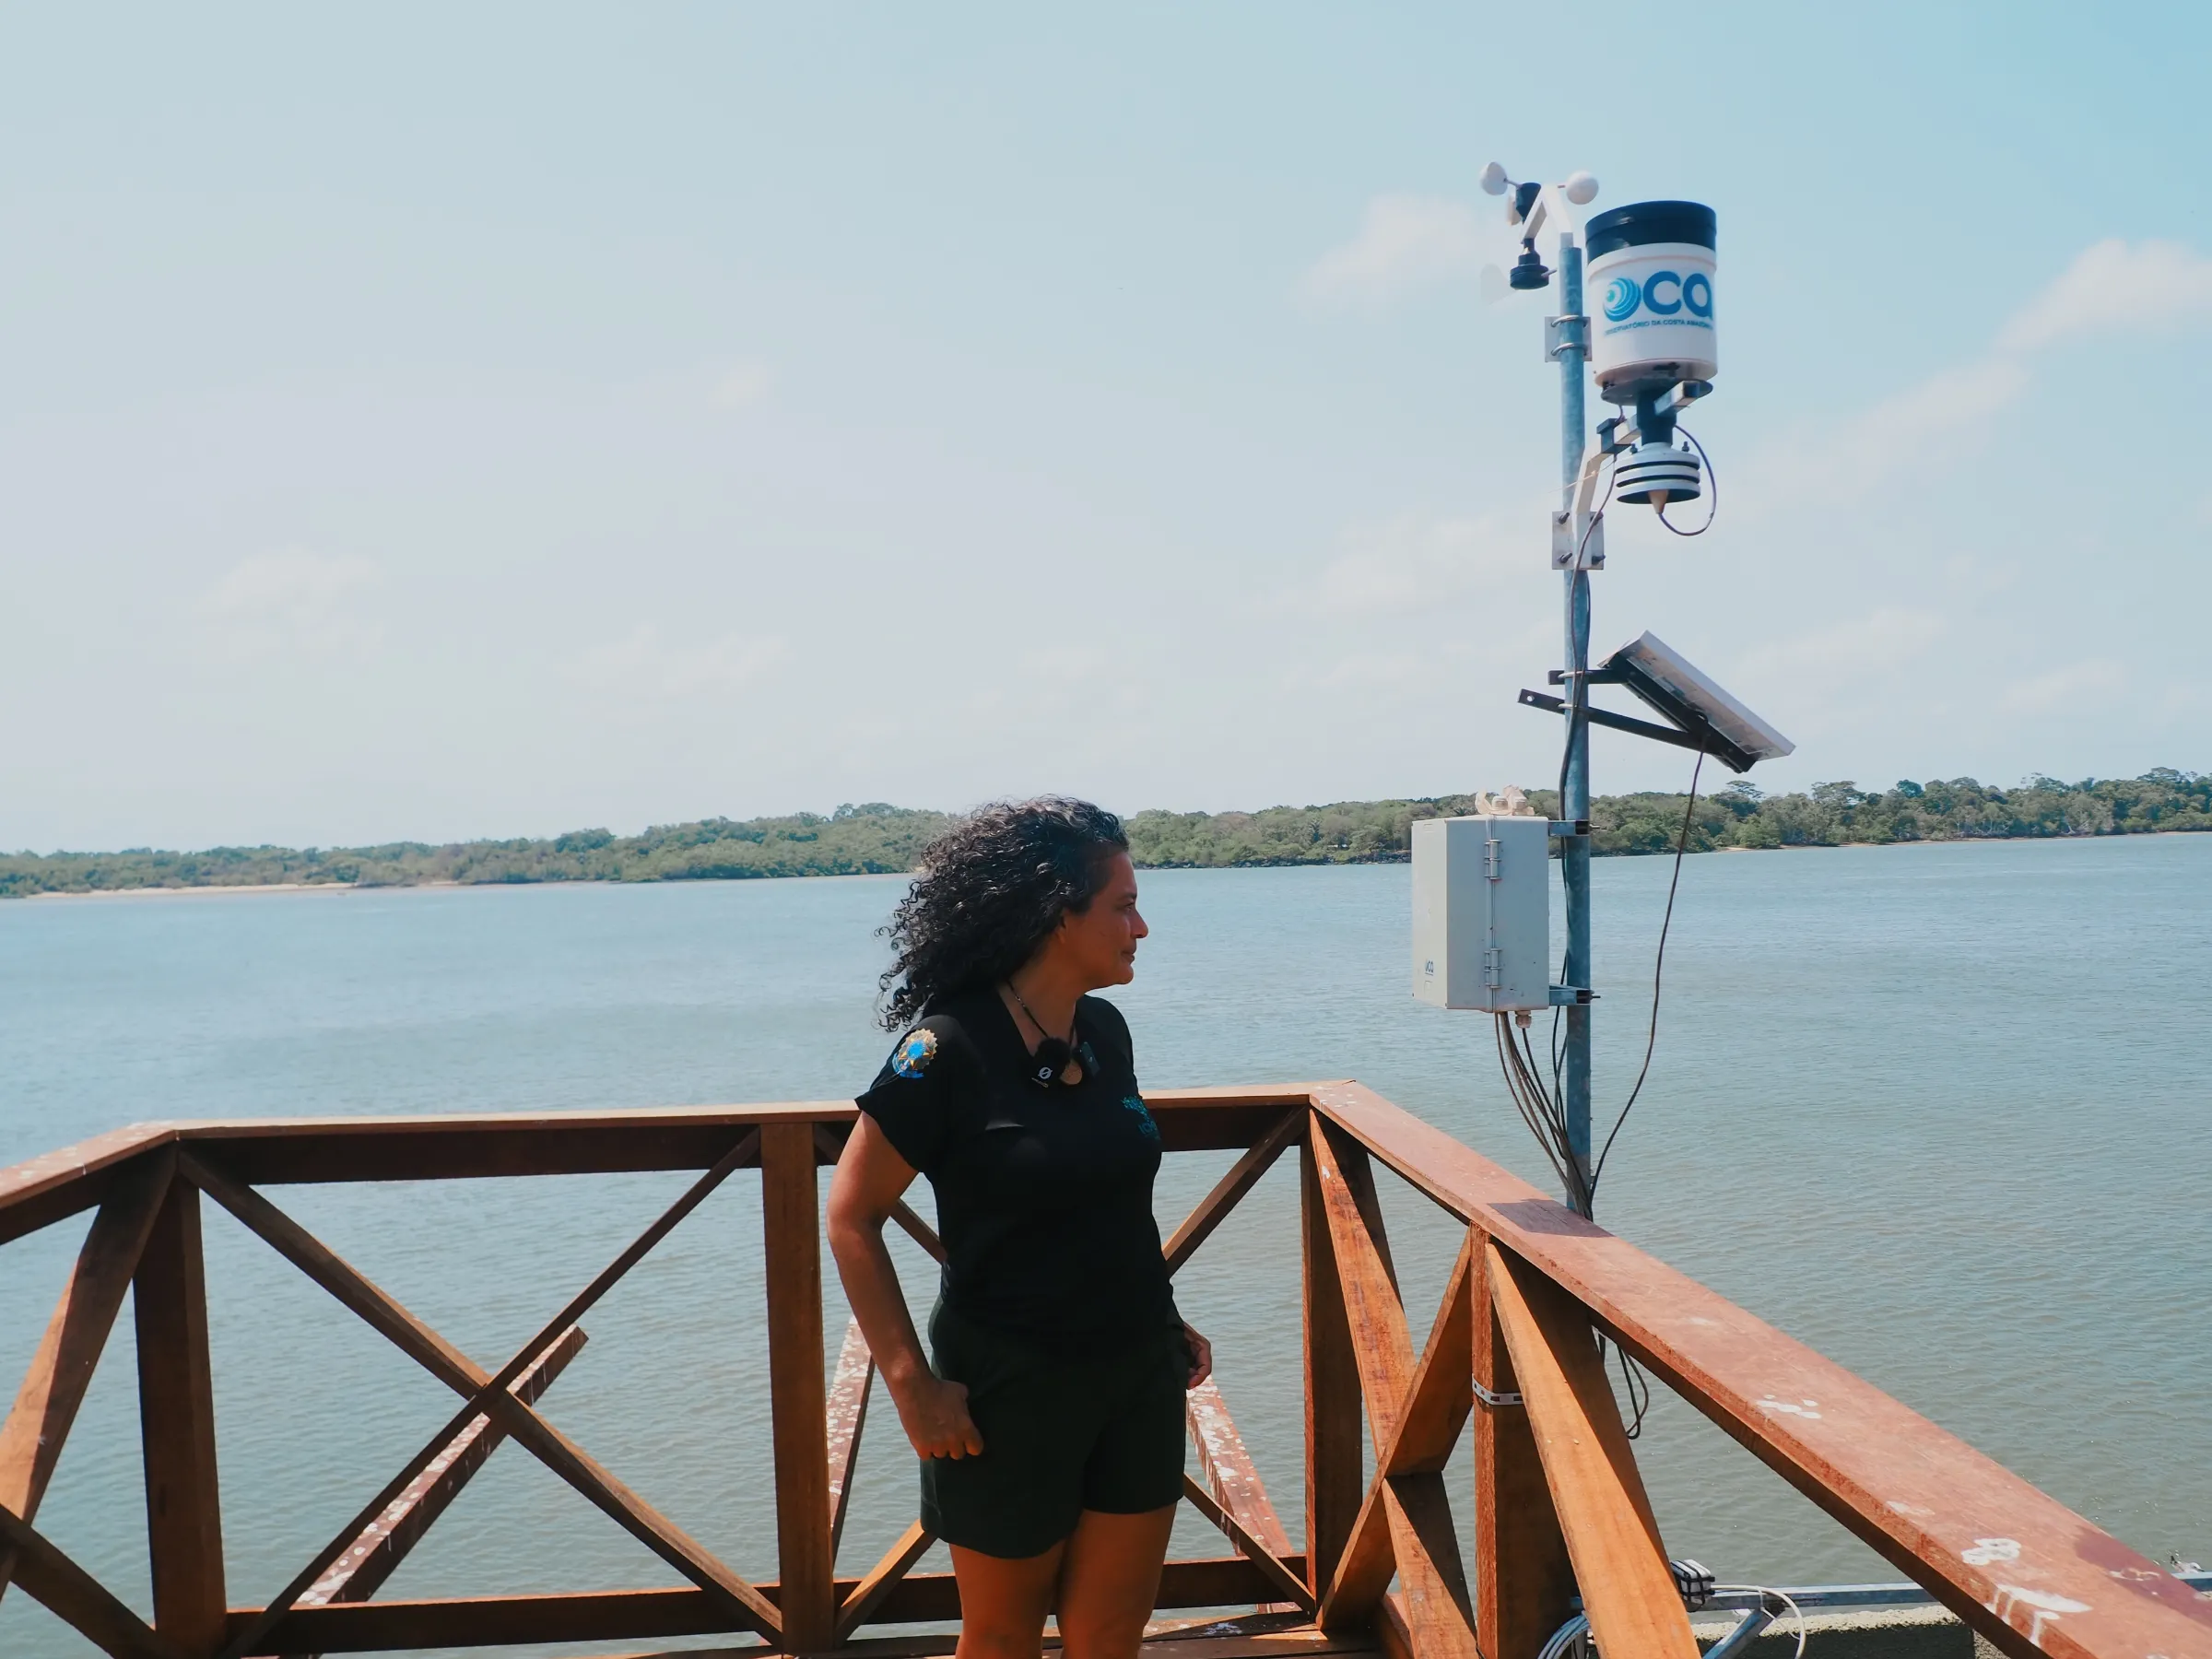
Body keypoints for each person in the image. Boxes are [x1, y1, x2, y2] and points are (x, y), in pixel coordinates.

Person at [828, 797, 1210, 1659]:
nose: (1141, 927)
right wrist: (913, 1386)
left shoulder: (1105, 1031)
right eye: (1121, 906)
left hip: (1137, 1372)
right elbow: (851, 1217)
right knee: (1001, 1639)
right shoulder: (945, 1048)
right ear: (1055, 914)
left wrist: (1161, 1312)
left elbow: (1107, 1196)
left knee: (1110, 1633)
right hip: (1008, 1387)